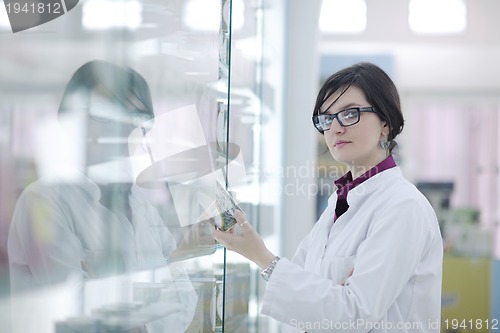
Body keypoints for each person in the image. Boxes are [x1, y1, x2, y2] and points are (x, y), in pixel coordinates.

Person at [214, 62, 443, 333]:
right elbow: (307, 292)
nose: (334, 128)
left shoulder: (403, 207)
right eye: (326, 118)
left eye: (349, 114)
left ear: (385, 123)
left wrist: (261, 256)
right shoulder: (340, 203)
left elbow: (353, 314)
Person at [8, 60, 196, 333]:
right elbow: (79, 311)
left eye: (134, 118)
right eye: (104, 114)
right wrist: (151, 313)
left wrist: (129, 314)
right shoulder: (43, 201)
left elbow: (185, 298)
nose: (120, 130)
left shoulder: (140, 204)